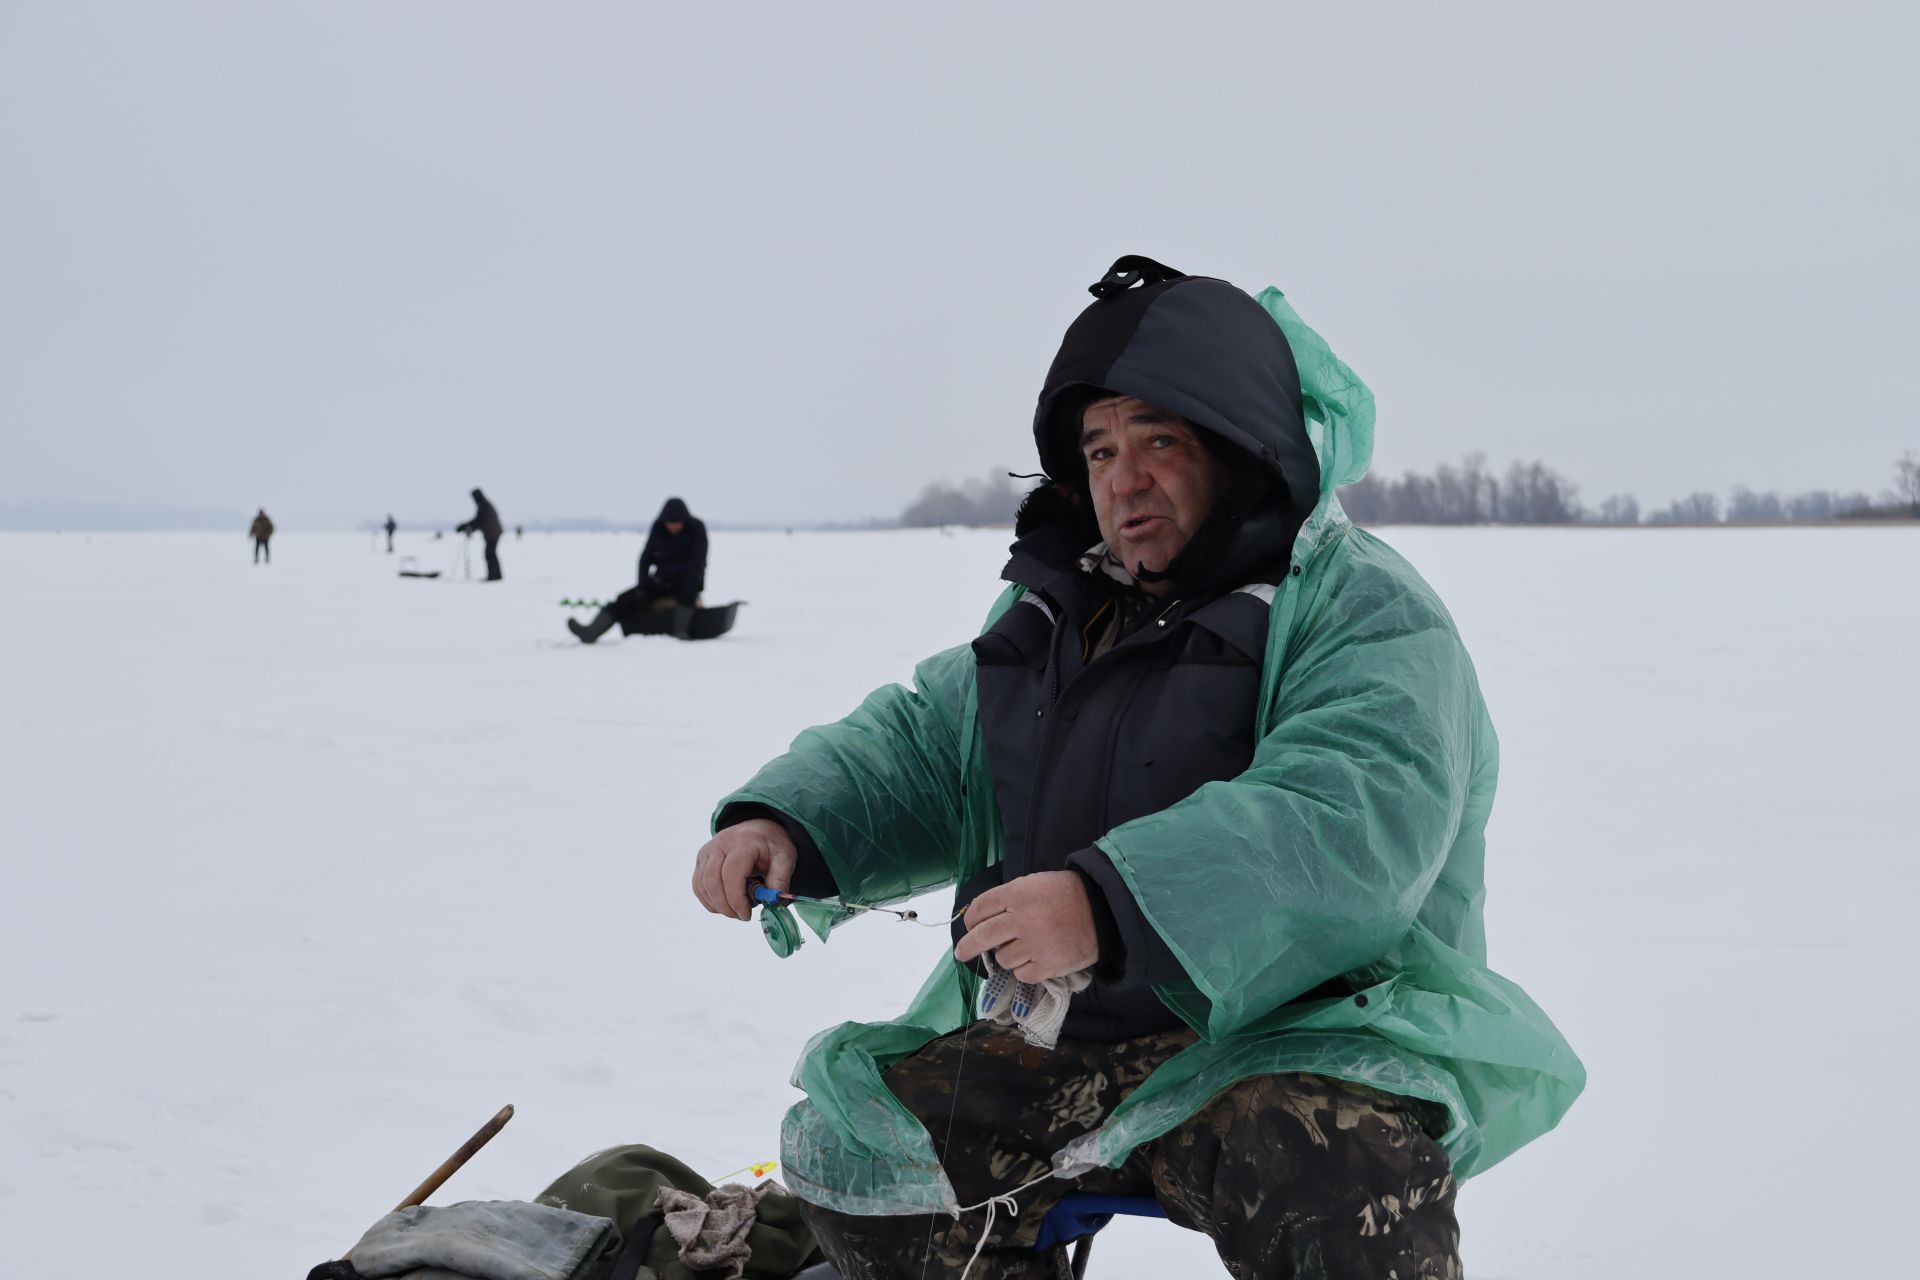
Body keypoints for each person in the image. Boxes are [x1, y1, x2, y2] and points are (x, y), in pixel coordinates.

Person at [690, 257, 1584, 1279]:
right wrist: (790, 821)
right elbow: (926, 744)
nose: (1124, 477)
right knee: (869, 1151)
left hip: (1305, 1030)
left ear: (1244, 450)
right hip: (1072, 1039)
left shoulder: (1359, 609)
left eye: (1161, 439)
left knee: (1333, 1166)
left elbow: (1348, 816)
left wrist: (1109, 904)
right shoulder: (1060, 612)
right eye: (1101, 447)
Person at [568, 497, 709, 643]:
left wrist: (669, 573)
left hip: (688, 580)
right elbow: (645, 558)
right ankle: (591, 632)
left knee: (689, 582)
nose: (672, 526)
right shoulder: (658, 527)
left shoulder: (697, 528)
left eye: (676, 523)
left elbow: (698, 563)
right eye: (669, 523)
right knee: (626, 598)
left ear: (684, 520)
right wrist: (643, 584)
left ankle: (680, 631)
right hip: (662, 580)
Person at [455, 488, 503, 581]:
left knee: (490, 554)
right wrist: (468, 527)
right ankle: (496, 576)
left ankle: (494, 576)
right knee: (491, 554)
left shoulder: (484, 506)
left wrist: (466, 526)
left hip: (493, 533)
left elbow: (478, 521)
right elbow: (478, 522)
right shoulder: (483, 504)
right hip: (493, 532)